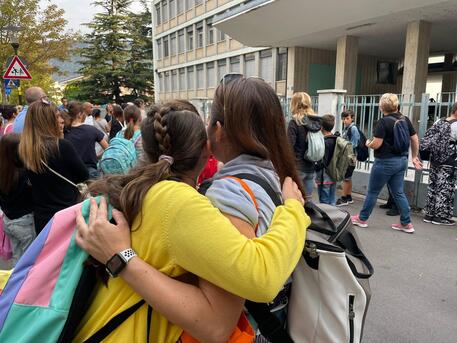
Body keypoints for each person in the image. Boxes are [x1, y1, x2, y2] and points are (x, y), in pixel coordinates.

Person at [74, 105, 308, 343]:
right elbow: (261, 278)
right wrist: (293, 209)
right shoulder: (177, 202)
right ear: (207, 149)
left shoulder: (139, 189)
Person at [351, 93, 422, 234]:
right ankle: (406, 223)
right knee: (398, 192)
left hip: (385, 162)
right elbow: (414, 139)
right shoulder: (404, 119)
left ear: (381, 107)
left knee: (373, 191)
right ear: (396, 105)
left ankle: (362, 218)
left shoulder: (383, 122)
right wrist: (414, 157)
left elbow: (377, 144)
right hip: (402, 161)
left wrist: (368, 143)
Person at [18, 99, 89, 234]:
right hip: (65, 213)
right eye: (56, 117)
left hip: (42, 216)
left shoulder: (24, 149)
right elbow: (83, 175)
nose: (60, 120)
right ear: (48, 121)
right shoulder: (61, 146)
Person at [0, 134, 35, 265]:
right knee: (29, 262)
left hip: (8, 221)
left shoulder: (4, 171)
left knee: (18, 259)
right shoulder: (24, 173)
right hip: (24, 223)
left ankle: (15, 283)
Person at [423, 102, 457, 225]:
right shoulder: (456, 125)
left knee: (433, 186)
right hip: (449, 160)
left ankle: (429, 214)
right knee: (445, 188)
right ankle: (440, 217)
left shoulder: (439, 121)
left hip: (435, 159)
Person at [287, 91, 321, 202]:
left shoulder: (294, 122)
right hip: (311, 165)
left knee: (295, 200)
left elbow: (289, 146)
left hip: (298, 166)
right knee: (308, 199)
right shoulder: (316, 121)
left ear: (294, 104)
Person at [64, 101, 108, 179]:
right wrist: (97, 156)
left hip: (70, 174)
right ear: (79, 115)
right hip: (90, 172)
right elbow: (108, 148)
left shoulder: (64, 132)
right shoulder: (91, 130)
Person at [336, 110, 360, 206]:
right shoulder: (347, 128)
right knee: (348, 178)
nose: (345, 121)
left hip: (350, 157)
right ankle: (349, 197)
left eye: (347, 118)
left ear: (352, 118)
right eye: (343, 119)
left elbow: (354, 144)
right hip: (348, 156)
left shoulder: (353, 129)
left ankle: (343, 198)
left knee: (346, 178)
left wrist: (342, 143)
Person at [315, 114, 338, 205]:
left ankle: (327, 218)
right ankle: (334, 217)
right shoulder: (336, 139)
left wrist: (315, 167)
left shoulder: (324, 142)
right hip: (333, 174)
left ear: (321, 127)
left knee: (324, 200)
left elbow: (323, 161)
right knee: (332, 199)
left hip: (323, 176)